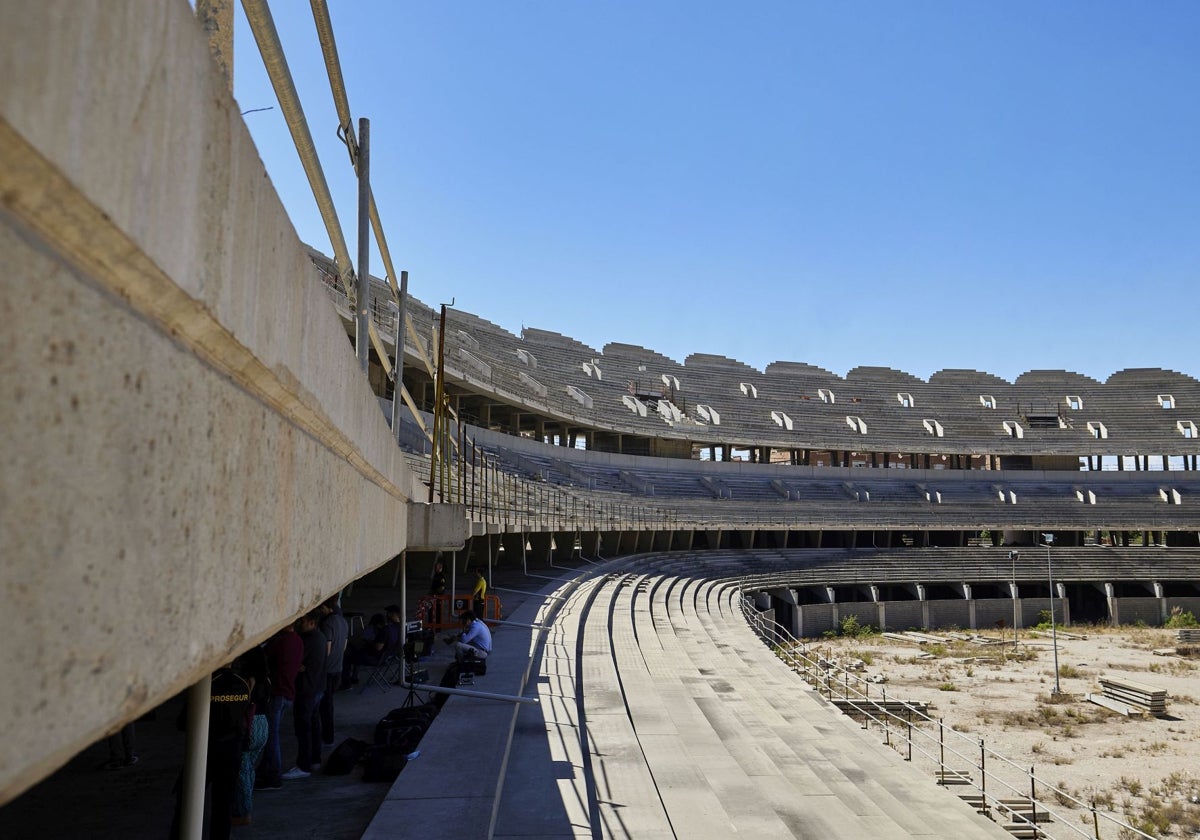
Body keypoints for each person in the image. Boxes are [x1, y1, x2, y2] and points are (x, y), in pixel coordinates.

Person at [255, 623, 302, 791]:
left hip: (277, 694)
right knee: (272, 735)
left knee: (271, 737)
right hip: (289, 693)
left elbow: (263, 656)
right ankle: (265, 770)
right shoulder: (298, 640)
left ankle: (273, 776)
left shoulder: (280, 642)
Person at [283, 611, 327, 779]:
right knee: (314, 726)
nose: (299, 624)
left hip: (306, 690)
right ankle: (315, 759)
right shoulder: (321, 637)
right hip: (317, 688)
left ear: (311, 622)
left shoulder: (308, 640)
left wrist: (299, 668)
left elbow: (296, 663)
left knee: (303, 729)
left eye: (303, 621)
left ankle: (304, 765)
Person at [231, 645, 270, 826]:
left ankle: (243, 813)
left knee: (241, 772)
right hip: (263, 724)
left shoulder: (248, 680)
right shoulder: (266, 679)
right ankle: (244, 808)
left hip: (250, 725)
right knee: (249, 769)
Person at [317, 598, 348, 744]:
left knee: (324, 707)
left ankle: (327, 737)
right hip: (338, 669)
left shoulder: (327, 623)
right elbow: (343, 647)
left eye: (321, 608)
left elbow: (326, 650)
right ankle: (328, 735)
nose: (320, 611)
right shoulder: (343, 621)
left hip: (327, 671)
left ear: (328, 608)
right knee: (329, 704)